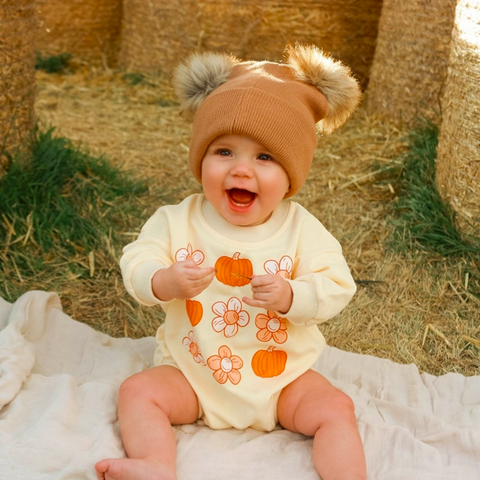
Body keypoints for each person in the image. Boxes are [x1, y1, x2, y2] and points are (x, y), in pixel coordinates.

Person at [95, 43, 366, 480]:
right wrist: (164, 280)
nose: (241, 170)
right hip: (193, 373)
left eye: (264, 157)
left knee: (337, 407)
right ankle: (154, 463)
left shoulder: (301, 229)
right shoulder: (176, 220)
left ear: (292, 173)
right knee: (138, 392)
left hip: (282, 381)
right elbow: (137, 261)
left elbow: (336, 285)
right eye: (224, 152)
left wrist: (292, 294)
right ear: (200, 159)